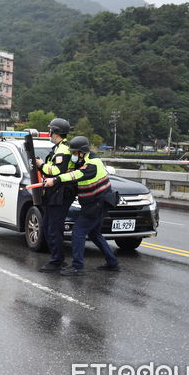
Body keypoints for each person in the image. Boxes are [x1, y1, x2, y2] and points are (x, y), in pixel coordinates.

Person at [44, 136, 119, 276]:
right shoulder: (85, 159)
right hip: (97, 203)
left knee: (78, 232)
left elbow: (76, 175)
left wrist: (55, 180)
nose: (72, 156)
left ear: (82, 152)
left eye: (74, 153)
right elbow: (73, 171)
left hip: (97, 204)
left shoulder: (92, 164)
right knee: (95, 233)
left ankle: (77, 267)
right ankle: (112, 262)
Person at [35, 118, 76, 273]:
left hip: (61, 192)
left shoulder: (63, 150)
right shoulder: (58, 148)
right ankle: (56, 258)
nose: (49, 133)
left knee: (54, 227)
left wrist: (41, 165)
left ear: (56, 132)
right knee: (48, 225)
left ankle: (57, 260)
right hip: (55, 192)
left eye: (51, 130)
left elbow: (57, 172)